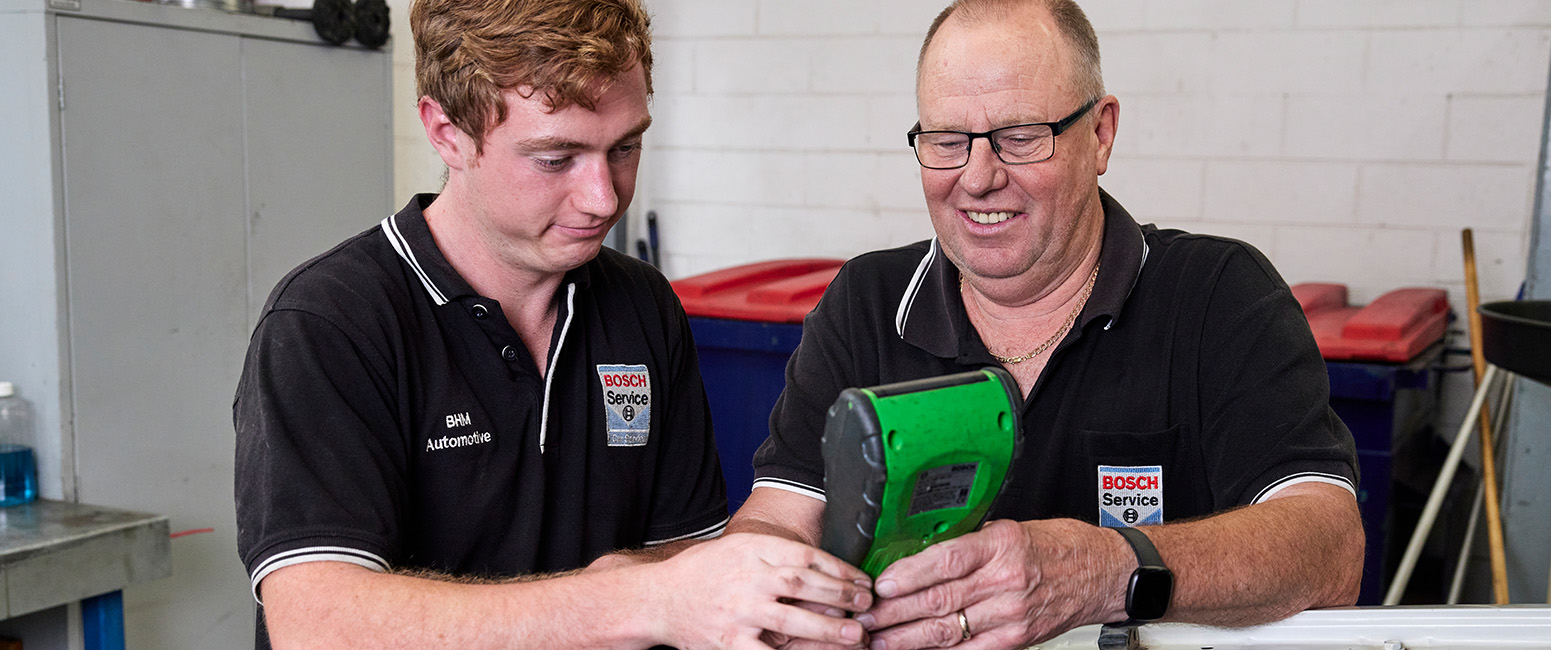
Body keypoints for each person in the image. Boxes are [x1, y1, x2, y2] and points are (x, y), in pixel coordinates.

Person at [232, 0, 874, 648]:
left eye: (625, 147)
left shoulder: (642, 306)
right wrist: (633, 597)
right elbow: (319, 628)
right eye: (555, 157)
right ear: (447, 130)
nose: (603, 197)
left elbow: (689, 564)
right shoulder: (331, 326)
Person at [730, 0, 1365, 648]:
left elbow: (1329, 546)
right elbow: (776, 524)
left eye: (1021, 136)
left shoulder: (1215, 297)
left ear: (1100, 135)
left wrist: (1105, 570)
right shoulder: (867, 304)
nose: (978, 177)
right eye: (947, 141)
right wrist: (775, 603)